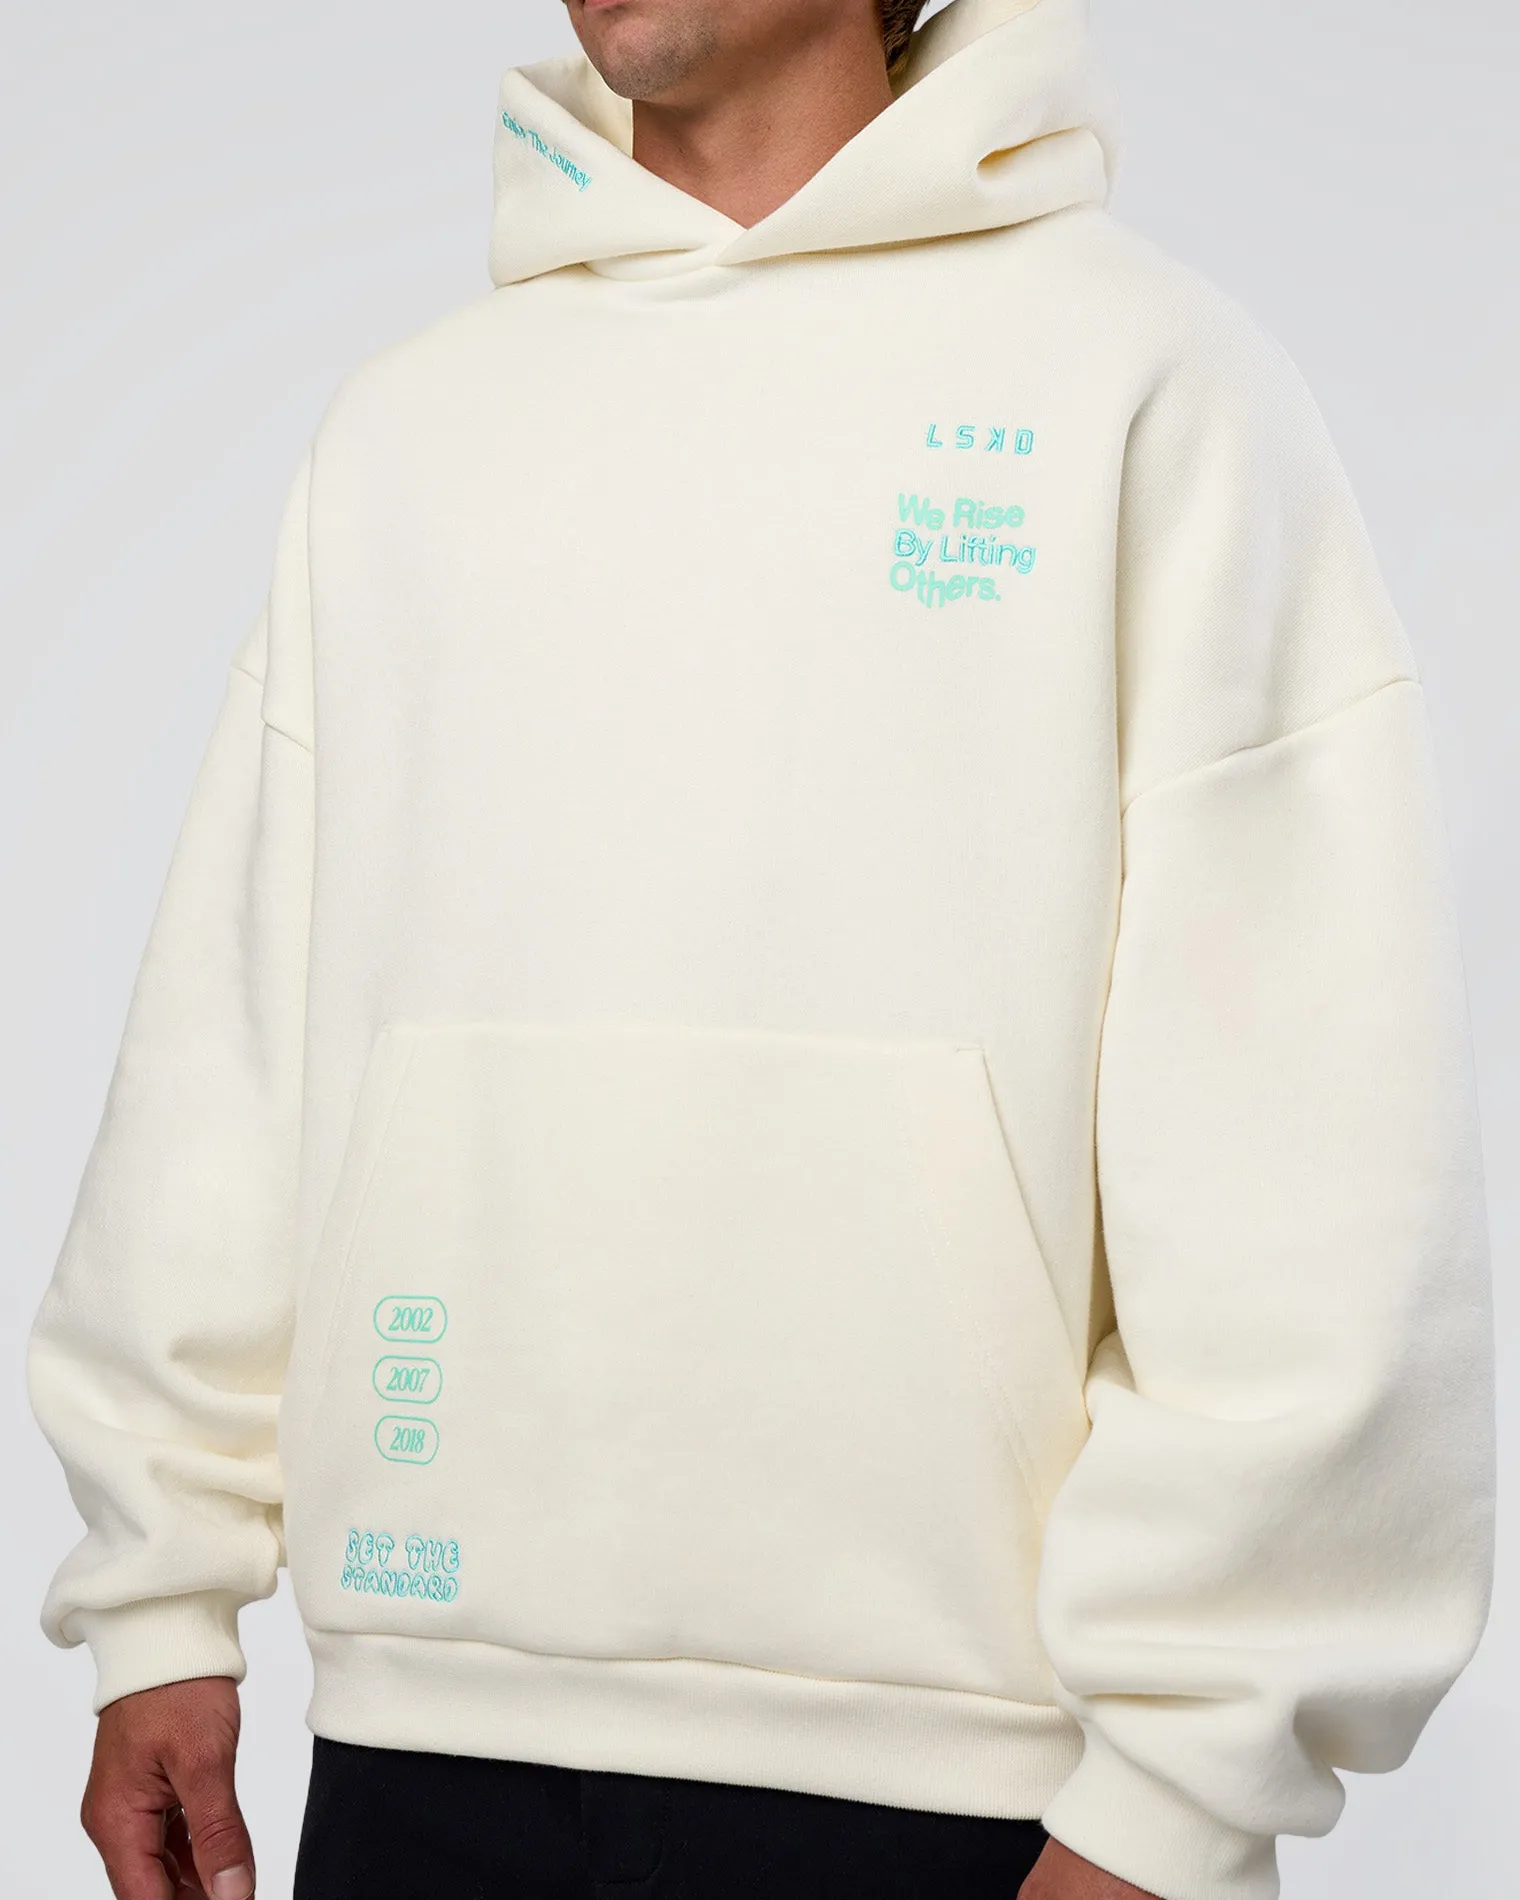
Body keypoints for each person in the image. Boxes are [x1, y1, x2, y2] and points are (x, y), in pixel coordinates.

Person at [26, 1, 1495, 1897]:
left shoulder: (1148, 386)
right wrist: (161, 1597)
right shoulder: (414, 430)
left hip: (979, 1792)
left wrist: (1185, 1791)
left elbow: (1304, 1127)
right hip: (422, 1743)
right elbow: (229, 1049)